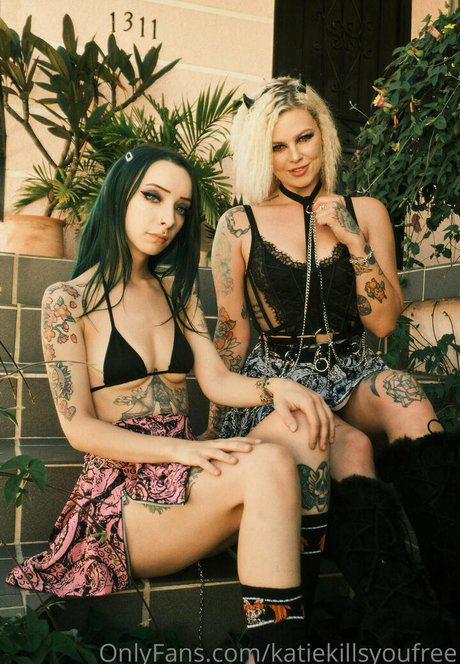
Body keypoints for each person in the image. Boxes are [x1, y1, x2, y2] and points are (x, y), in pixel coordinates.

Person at [5, 144, 336, 660]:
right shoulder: (67, 301)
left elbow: (217, 380)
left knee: (303, 426)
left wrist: (279, 389)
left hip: (187, 474)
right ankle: (280, 649)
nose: (168, 219)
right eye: (153, 197)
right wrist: (183, 451)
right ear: (120, 195)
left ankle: (291, 625)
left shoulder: (177, 292)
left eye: (181, 208)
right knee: (269, 462)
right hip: (122, 499)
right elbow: (79, 429)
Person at [203, 77, 459, 647]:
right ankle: (409, 628)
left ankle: (453, 586)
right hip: (280, 376)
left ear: (324, 135)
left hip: (351, 365)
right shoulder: (238, 224)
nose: (295, 157)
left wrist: (353, 242)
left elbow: (384, 324)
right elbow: (232, 334)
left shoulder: (365, 211)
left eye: (305, 138)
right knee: (351, 445)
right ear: (262, 153)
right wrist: (216, 428)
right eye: (278, 146)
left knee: (404, 393)